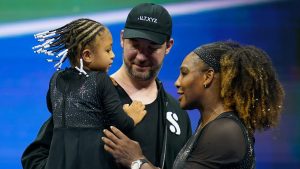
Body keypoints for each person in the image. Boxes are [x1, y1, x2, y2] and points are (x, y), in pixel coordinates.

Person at [21, 3, 192, 169]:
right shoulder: (85, 93)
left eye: (152, 48)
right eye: (135, 45)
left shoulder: (178, 112)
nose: (141, 56)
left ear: (168, 46)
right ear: (122, 39)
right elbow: (34, 157)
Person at [102, 41, 285, 169]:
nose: (177, 82)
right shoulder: (210, 125)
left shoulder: (225, 131)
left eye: (184, 73)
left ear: (208, 77)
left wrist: (136, 160)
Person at [23, 18, 147, 169]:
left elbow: (52, 107)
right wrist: (131, 117)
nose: (113, 55)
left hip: (58, 160)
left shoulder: (56, 78)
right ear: (87, 56)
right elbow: (120, 124)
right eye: (108, 50)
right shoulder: (101, 80)